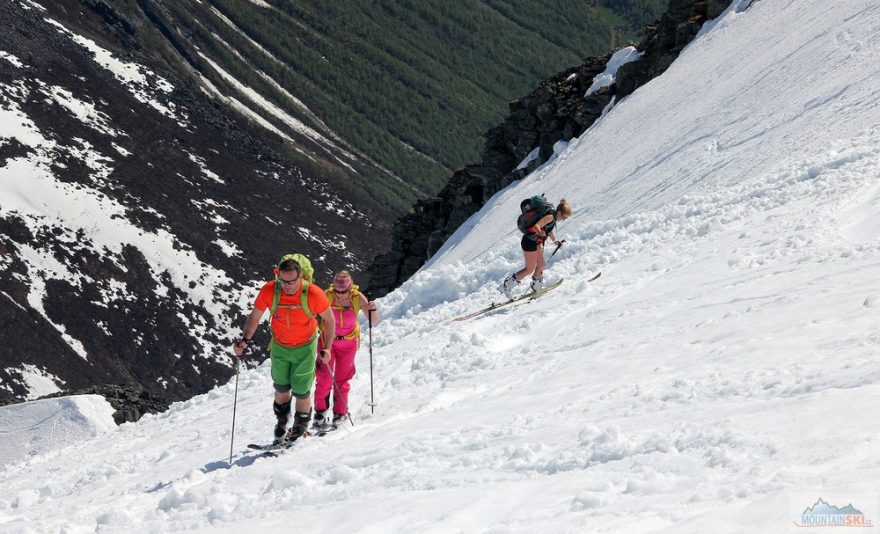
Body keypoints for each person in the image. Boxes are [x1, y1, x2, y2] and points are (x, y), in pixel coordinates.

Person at [233, 255, 335, 443]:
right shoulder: (270, 291)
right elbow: (255, 316)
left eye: (292, 281)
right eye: (283, 280)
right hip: (280, 345)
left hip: (305, 346)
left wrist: (327, 348)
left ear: (301, 277)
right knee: (281, 387)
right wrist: (245, 340)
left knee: (301, 390)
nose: (287, 285)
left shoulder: (313, 293)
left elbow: (329, 320)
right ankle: (282, 422)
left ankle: (299, 427)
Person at [313, 271, 379, 430]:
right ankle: (320, 412)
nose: (341, 294)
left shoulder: (357, 297)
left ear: (350, 287)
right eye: (337, 291)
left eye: (344, 291)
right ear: (333, 287)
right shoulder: (326, 296)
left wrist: (372, 309)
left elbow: (374, 321)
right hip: (327, 341)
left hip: (348, 343)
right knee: (324, 377)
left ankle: (340, 413)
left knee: (342, 379)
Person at [499, 198, 572, 298]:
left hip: (536, 243)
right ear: (559, 212)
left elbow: (549, 231)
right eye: (564, 217)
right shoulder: (550, 217)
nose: (563, 220)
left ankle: (536, 286)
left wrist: (555, 241)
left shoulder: (552, 218)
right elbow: (537, 226)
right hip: (530, 242)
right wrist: (540, 232)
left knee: (541, 264)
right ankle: (506, 286)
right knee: (529, 269)